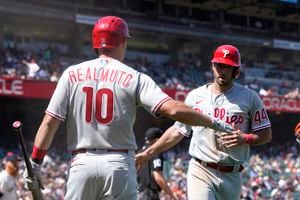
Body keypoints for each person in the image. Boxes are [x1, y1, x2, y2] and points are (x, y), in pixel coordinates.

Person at [23, 16, 233, 200]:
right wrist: (212, 121)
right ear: (122, 41)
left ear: (96, 43)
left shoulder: (71, 73)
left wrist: (35, 163)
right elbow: (174, 110)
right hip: (119, 164)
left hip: (81, 163)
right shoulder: (134, 77)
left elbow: (50, 122)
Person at [136, 44, 272, 200]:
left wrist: (246, 138)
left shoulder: (250, 97)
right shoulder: (195, 96)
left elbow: (266, 134)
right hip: (201, 169)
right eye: (219, 65)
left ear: (237, 71)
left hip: (233, 174)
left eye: (228, 67)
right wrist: (147, 153)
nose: (222, 70)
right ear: (212, 66)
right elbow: (178, 131)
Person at [137, 127, 176, 200]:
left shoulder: (139, 153)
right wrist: (172, 196)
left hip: (137, 193)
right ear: (157, 140)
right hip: (149, 194)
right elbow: (158, 176)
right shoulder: (154, 151)